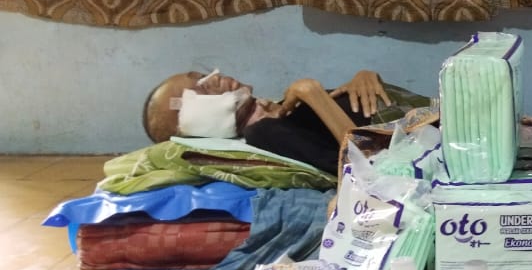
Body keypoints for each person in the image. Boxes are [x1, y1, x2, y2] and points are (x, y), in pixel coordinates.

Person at [142, 69, 435, 172]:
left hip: (431, 112)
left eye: (204, 75)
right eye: (202, 87)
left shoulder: (279, 109)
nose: (215, 77)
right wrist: (312, 93)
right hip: (434, 136)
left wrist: (366, 77)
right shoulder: (263, 134)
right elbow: (367, 162)